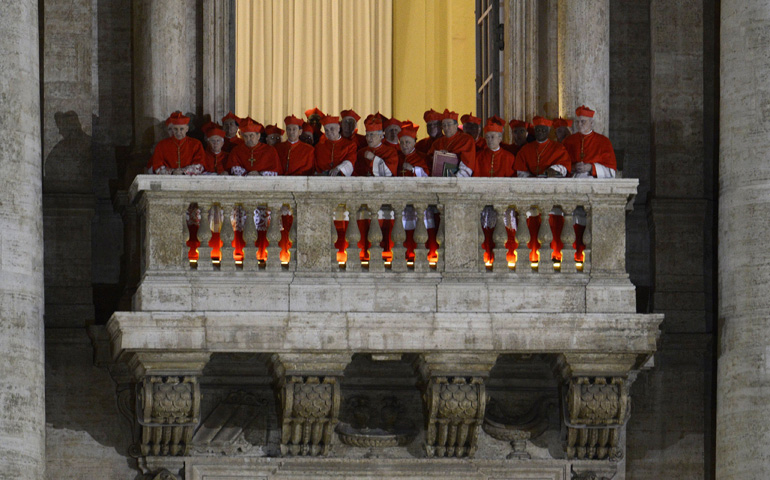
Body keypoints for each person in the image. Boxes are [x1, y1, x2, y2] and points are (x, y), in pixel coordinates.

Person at [562, 105, 617, 178]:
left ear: (591, 123)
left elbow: (611, 171)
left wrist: (591, 167)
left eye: (583, 121)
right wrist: (573, 167)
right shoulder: (568, 141)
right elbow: (561, 165)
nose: (579, 125)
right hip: (573, 180)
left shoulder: (603, 141)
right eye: (577, 122)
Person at [427, 109, 477, 177]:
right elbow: (429, 161)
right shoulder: (437, 143)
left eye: (449, 124)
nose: (446, 128)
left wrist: (457, 177)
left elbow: (468, 162)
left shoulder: (466, 139)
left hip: (458, 179)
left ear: (456, 125)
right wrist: (438, 155)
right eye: (444, 125)